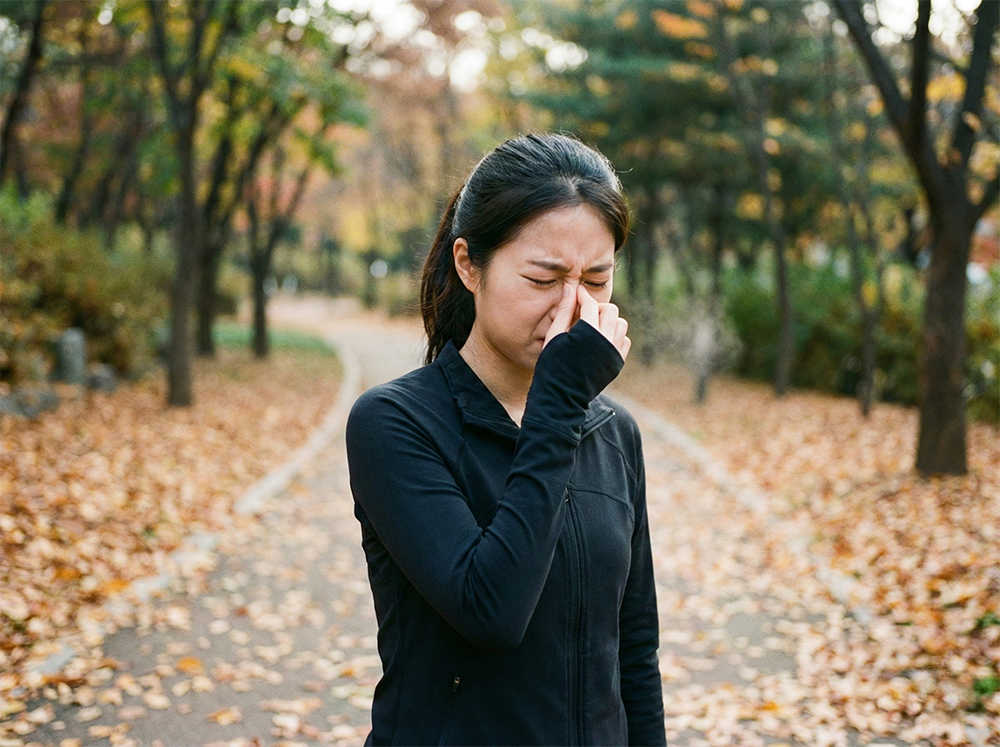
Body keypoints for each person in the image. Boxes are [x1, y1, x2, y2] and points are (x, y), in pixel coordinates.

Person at [346, 133, 666, 746]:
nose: (572, 307)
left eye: (596, 280)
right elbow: (490, 610)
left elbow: (633, 649)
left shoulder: (614, 433)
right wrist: (559, 405)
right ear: (470, 264)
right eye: (543, 278)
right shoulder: (394, 423)